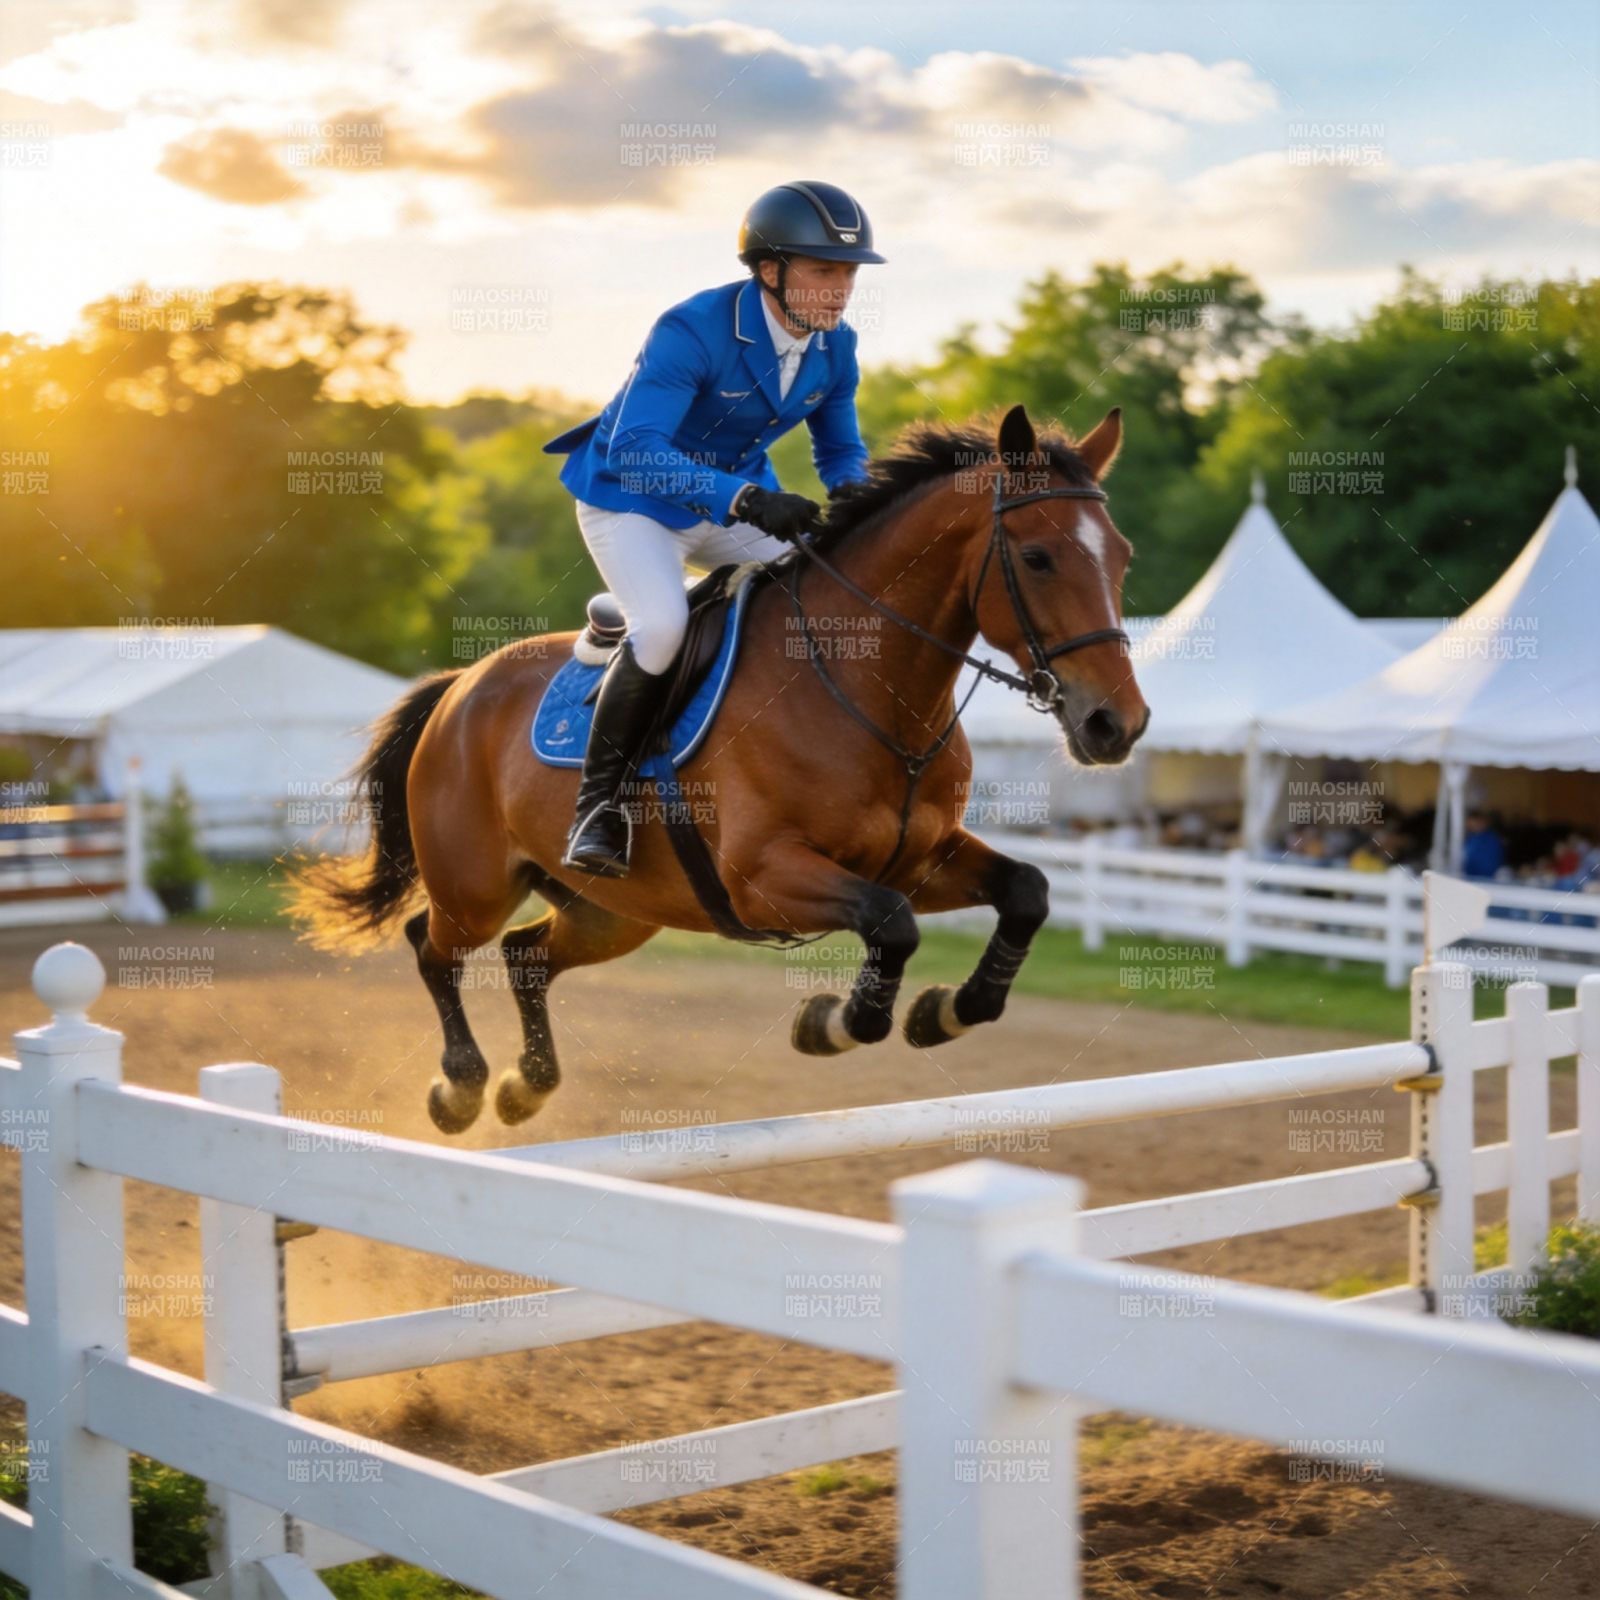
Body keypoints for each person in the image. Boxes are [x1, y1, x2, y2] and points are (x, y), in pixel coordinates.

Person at [543, 181, 885, 878]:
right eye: (824, 271)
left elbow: (840, 449)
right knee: (663, 628)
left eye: (849, 273)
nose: (841, 290)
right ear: (770, 271)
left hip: (730, 504)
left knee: (833, 582)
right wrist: (748, 499)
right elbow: (635, 450)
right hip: (630, 502)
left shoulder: (836, 347)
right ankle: (597, 809)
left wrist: (856, 496)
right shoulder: (692, 329)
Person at [1461, 810, 1505, 879]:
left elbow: (1490, 864)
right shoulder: (1471, 838)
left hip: (1484, 879)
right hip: (1468, 877)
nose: (1470, 824)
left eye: (1476, 822)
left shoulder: (1492, 839)